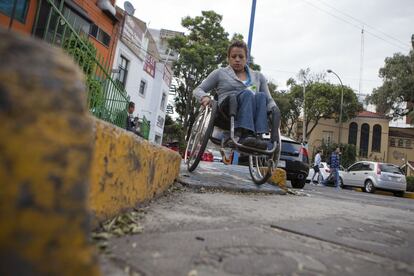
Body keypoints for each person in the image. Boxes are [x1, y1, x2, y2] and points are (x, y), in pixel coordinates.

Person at [193, 40, 280, 149]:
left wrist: (274, 110)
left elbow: (269, 99)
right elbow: (198, 89)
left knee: (261, 96)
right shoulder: (220, 73)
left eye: (241, 56)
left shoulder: (258, 76)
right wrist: (204, 97)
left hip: (252, 111)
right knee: (248, 94)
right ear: (228, 58)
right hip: (227, 109)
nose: (237, 60)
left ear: (246, 58)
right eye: (233, 57)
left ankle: (258, 136)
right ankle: (243, 135)